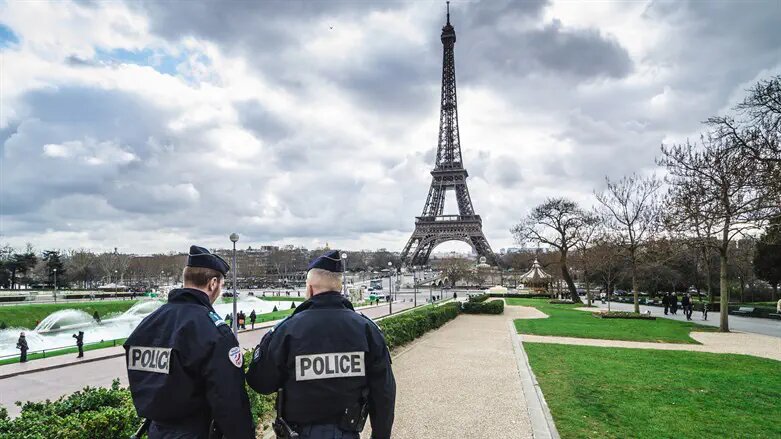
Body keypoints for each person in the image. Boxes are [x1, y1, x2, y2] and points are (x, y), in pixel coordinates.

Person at [247, 250, 396, 439]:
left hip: (298, 432)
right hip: (346, 432)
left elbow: (260, 383)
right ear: (340, 288)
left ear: (309, 289)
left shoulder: (287, 330)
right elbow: (384, 393)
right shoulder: (367, 329)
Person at [124, 245, 254, 439]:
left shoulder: (148, 324)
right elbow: (229, 401)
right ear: (213, 283)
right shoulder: (214, 331)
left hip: (156, 430)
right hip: (195, 431)